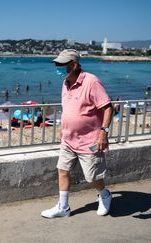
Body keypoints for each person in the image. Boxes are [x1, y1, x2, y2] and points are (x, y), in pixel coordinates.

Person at [41, 49, 113, 218]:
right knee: (62, 170)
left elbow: (108, 107)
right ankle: (63, 207)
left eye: (61, 64)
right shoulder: (65, 82)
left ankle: (105, 194)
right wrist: (63, 128)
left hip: (89, 140)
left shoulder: (91, 82)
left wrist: (104, 132)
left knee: (92, 177)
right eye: (57, 64)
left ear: (73, 65)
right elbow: (69, 109)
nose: (57, 67)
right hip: (68, 138)